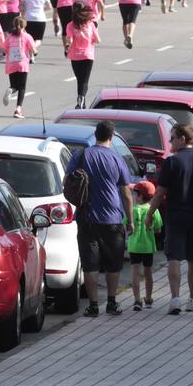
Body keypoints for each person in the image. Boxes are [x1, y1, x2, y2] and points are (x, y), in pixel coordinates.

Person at [63, 120, 134, 316]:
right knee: (113, 263)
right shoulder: (117, 159)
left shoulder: (81, 155)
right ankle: (112, 302)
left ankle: (93, 305)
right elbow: (126, 192)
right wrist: (131, 220)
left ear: (96, 135)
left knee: (90, 262)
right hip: (112, 218)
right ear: (111, 137)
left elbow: (66, 181)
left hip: (86, 217)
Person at [146, 124, 193, 315]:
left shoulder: (172, 162)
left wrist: (150, 213)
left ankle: (175, 299)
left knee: (174, 258)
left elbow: (161, 192)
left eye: (172, 138)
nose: (170, 142)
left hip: (176, 216)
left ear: (182, 139)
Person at [127, 180, 161, 310]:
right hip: (148, 246)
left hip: (135, 246)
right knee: (148, 272)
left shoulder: (133, 210)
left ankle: (137, 300)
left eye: (135, 194)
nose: (134, 197)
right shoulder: (153, 211)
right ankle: (148, 298)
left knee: (135, 272)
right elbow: (158, 229)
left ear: (140, 196)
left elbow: (127, 226)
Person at [3, 17, 38, 119]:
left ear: (14, 25)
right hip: (22, 64)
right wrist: (35, 53)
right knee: (22, 87)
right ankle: (18, 109)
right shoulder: (27, 36)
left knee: (14, 85)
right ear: (24, 26)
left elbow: (4, 49)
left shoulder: (9, 37)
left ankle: (10, 90)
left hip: (11, 63)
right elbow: (33, 49)